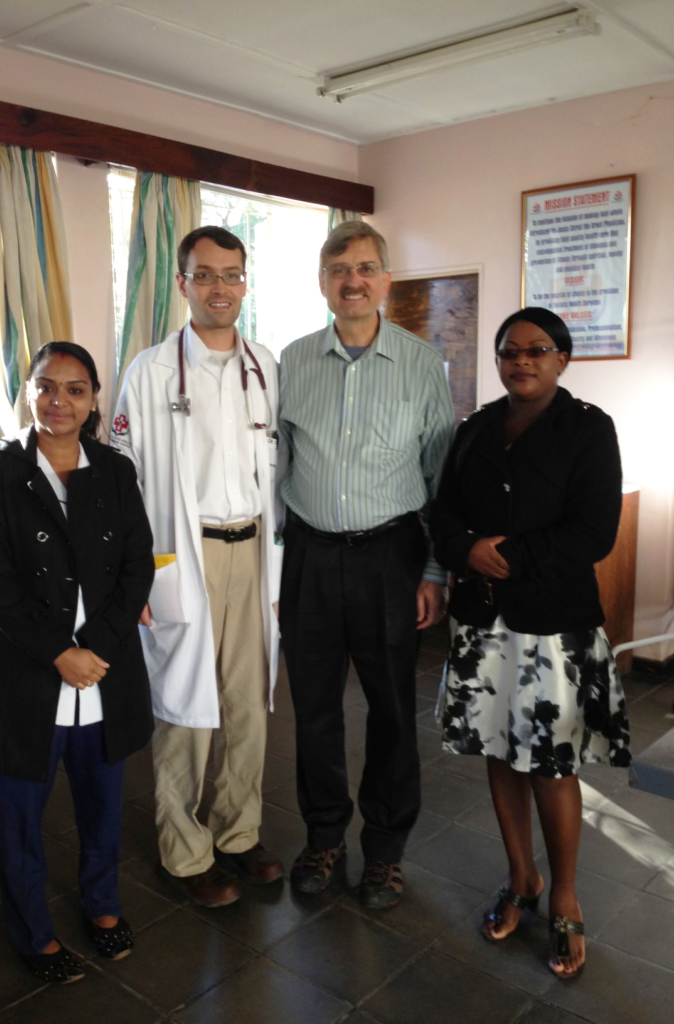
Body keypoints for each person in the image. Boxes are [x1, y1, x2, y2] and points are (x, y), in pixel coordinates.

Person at [0, 342, 155, 983]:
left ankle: (103, 906)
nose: (58, 401)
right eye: (45, 386)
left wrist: (99, 650)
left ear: (93, 400)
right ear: (28, 392)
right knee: (20, 820)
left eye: (74, 389)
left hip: (101, 672)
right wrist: (60, 652)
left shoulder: (114, 470)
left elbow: (137, 566)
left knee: (103, 807)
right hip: (26, 674)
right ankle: (33, 935)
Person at [431, 307, 631, 977]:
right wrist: (466, 548)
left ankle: (565, 896)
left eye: (536, 350)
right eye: (509, 351)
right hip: (483, 623)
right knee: (499, 751)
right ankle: (522, 878)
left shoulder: (589, 428)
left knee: (551, 762)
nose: (521, 361)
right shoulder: (474, 429)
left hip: (553, 625)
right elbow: (443, 513)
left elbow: (595, 530)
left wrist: (507, 557)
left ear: (562, 359)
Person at [278, 221, 455, 909]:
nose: (352, 280)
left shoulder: (421, 364)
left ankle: (384, 848)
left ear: (385, 279)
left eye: (365, 268)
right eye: (338, 269)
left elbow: (440, 479)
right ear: (322, 283)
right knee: (314, 710)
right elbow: (276, 468)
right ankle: (324, 836)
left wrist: (433, 572)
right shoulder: (291, 362)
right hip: (311, 558)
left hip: (391, 557)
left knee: (392, 712)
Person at [112, 226, 284, 908]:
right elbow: (122, 483)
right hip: (182, 556)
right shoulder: (150, 371)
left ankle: (239, 833)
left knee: (249, 705)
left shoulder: (265, 364)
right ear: (182, 283)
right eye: (205, 274)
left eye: (231, 274)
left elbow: (277, 466)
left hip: (254, 552)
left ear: (245, 282)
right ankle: (184, 850)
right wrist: (134, 576)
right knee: (185, 710)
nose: (220, 287)